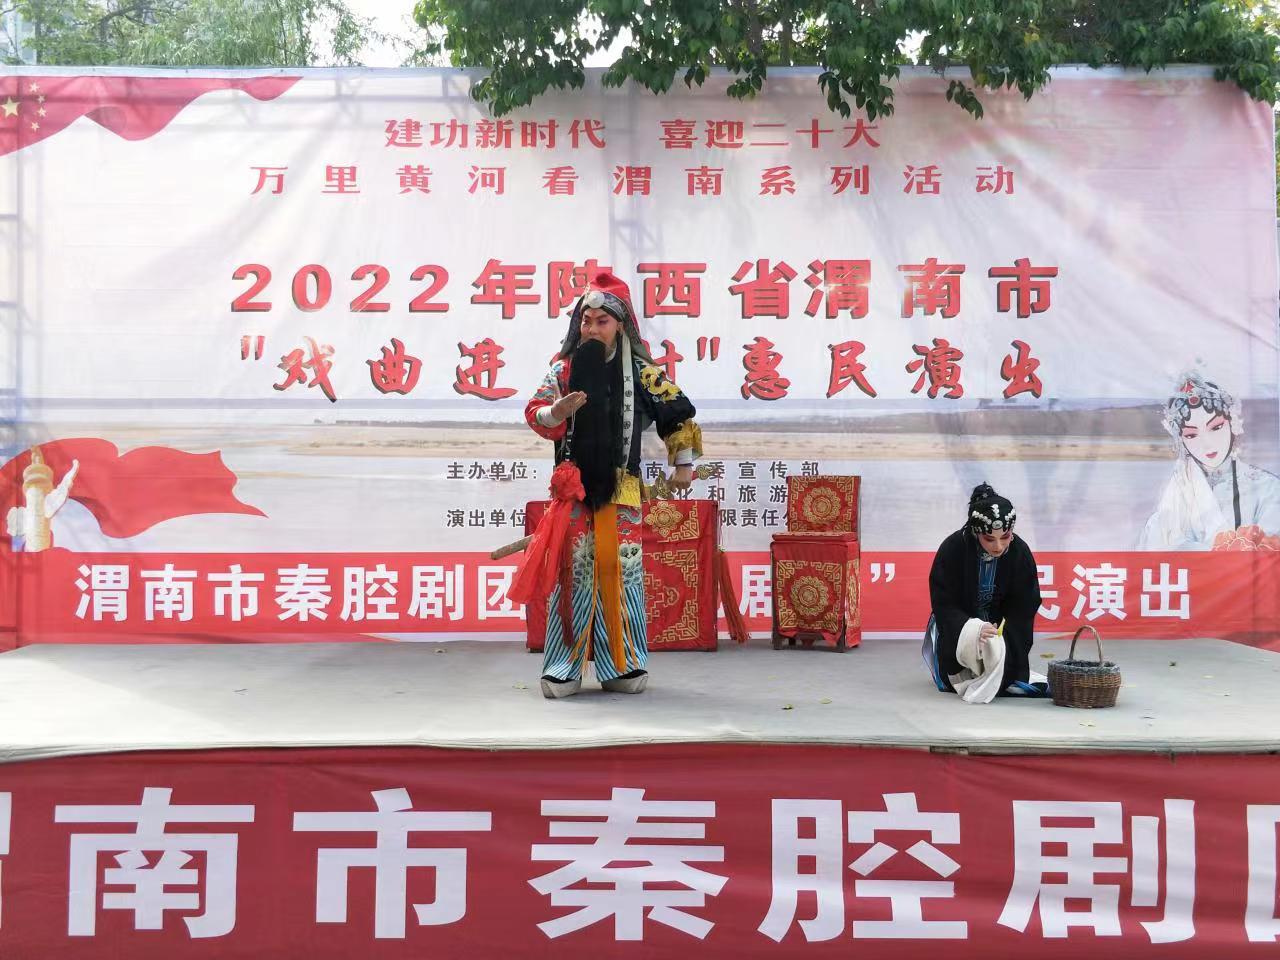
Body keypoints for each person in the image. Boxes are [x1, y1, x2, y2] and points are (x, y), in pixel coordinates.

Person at [519, 270, 702, 699]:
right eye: (586, 321)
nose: (592, 329)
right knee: (574, 573)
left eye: (602, 321)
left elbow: (676, 412)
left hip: (622, 492)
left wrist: (683, 464)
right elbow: (535, 412)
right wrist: (556, 412)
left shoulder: (641, 371)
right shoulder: (563, 370)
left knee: (623, 571)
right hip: (573, 492)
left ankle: (622, 661)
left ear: (620, 325)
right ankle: (563, 666)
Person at [922, 483, 1045, 703]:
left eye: (1005, 536)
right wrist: (973, 629)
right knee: (955, 680)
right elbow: (944, 602)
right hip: (960, 630)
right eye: (990, 539)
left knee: (1006, 678)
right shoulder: (953, 548)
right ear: (976, 532)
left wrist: (1000, 634)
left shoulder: (1019, 552)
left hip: (1000, 631)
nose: (998, 546)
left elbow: (1025, 604)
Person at [1138, 371, 1280, 550]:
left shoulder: (1268, 489)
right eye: (1191, 435)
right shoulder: (1174, 498)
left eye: (1216, 427)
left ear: (1232, 423)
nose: (1207, 443)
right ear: (1181, 440)